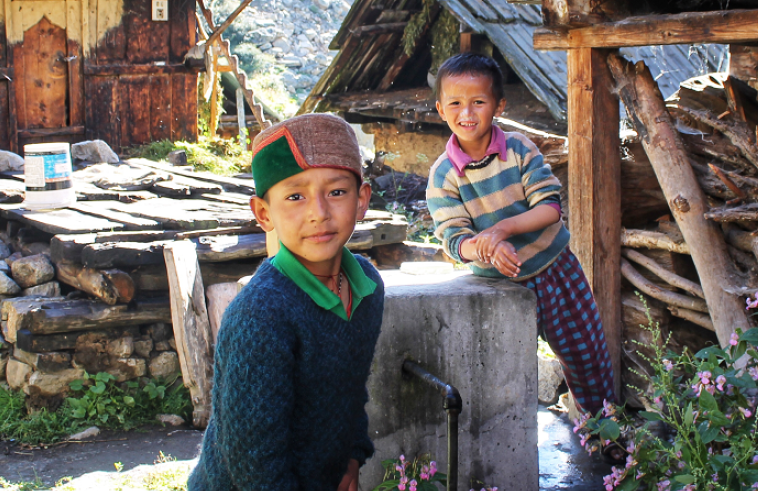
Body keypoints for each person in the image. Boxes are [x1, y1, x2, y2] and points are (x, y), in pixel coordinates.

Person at [188, 113, 384, 491]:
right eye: (295, 196)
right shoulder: (261, 315)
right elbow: (253, 464)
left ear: (362, 201)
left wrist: (352, 458)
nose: (319, 213)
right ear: (264, 213)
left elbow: (350, 391)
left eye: (337, 192)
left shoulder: (366, 287)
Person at [426, 52, 618, 415]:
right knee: (501, 372)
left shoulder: (518, 150)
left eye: (478, 102)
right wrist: (485, 249)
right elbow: (455, 241)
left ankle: (603, 431)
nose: (466, 113)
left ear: (499, 105)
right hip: (502, 286)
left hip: (557, 270)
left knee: (587, 357)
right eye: (455, 103)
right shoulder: (443, 176)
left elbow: (549, 208)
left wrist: (500, 230)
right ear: (440, 109)